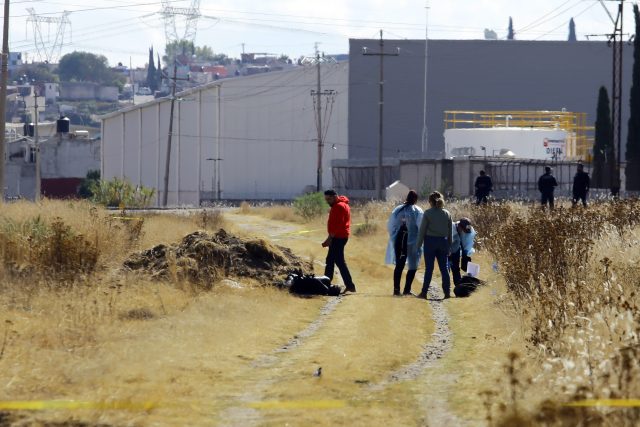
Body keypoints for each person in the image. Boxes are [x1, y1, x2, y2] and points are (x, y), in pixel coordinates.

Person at [415, 191, 453, 300]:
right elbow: (450, 232)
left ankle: (424, 293)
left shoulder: (427, 213)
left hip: (430, 243)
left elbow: (422, 231)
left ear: (430, 201)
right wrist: (449, 246)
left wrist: (418, 245)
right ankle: (447, 293)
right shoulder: (447, 213)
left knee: (429, 269)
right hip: (443, 242)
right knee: (444, 269)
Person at [385, 190, 424, 296]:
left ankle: (396, 290)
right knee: (413, 266)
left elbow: (390, 226)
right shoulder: (418, 211)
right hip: (413, 243)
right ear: (415, 199)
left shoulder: (397, 210)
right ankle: (407, 290)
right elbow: (421, 227)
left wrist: (394, 237)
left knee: (399, 265)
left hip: (399, 241)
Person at [322, 189, 356, 293]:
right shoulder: (342, 204)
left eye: (329, 199)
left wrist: (329, 239)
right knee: (330, 261)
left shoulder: (338, 207)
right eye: (326, 199)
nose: (327, 201)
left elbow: (337, 224)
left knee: (339, 262)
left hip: (338, 237)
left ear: (335, 196)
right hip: (340, 236)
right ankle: (326, 283)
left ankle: (349, 285)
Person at [449, 218, 476, 286]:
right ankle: (447, 290)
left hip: (457, 248)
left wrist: (465, 255)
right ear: (459, 226)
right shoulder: (450, 228)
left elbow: (467, 244)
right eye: (463, 230)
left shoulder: (470, 231)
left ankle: (459, 287)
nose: (464, 232)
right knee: (446, 268)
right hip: (447, 248)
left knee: (456, 269)